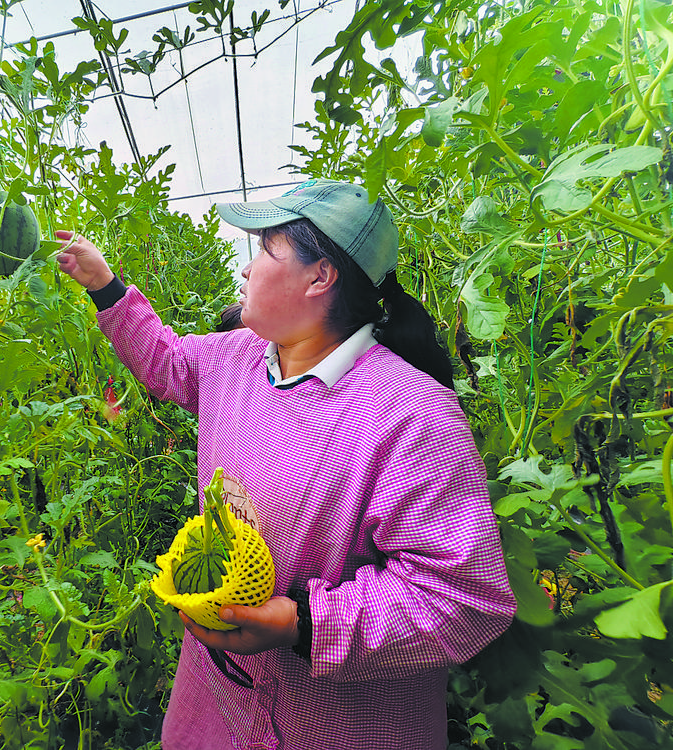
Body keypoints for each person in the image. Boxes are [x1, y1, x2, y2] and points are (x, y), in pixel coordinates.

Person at [55, 179, 515, 750]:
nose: (246, 271)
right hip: (216, 696)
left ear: (320, 277)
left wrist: (302, 623)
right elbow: (168, 363)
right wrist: (105, 286)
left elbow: (463, 598)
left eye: (264, 250)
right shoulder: (239, 359)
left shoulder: (410, 415)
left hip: (335, 723)